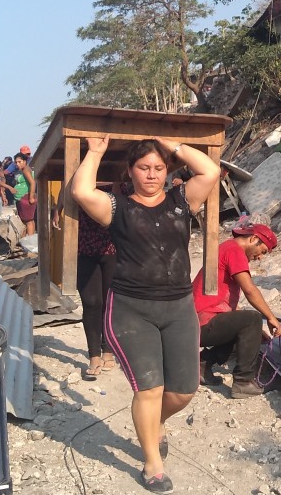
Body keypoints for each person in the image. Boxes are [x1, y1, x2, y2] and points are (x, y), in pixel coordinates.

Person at [72, 136, 220, 493]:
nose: (151, 175)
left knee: (184, 390)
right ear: (130, 171)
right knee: (150, 388)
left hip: (179, 307)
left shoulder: (182, 202)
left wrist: (174, 146)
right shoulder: (117, 207)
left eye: (158, 168)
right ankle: (152, 463)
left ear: (167, 171)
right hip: (130, 309)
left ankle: (155, 424)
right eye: (143, 167)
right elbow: (81, 191)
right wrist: (94, 151)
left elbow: (210, 169)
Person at [192, 223, 281, 398]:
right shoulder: (234, 250)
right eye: (263, 251)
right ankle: (243, 382)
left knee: (249, 324)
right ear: (253, 239)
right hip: (200, 323)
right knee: (252, 319)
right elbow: (250, 290)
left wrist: (254, 332)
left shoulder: (227, 248)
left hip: (199, 321)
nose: (260, 258)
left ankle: (202, 365)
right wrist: (270, 318)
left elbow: (228, 305)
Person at [53, 184, 122, 380]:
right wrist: (58, 210)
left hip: (112, 247)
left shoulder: (115, 172)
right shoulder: (80, 174)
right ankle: (94, 355)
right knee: (91, 302)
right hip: (84, 245)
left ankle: (108, 349)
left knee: (110, 301)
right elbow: (66, 185)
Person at [13, 152, 36, 236]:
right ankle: (27, 240)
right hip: (22, 198)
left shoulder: (26, 170)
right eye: (16, 162)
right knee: (28, 220)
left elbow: (33, 183)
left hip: (26, 198)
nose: (17, 164)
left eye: (19, 162)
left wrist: (31, 197)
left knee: (28, 220)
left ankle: (29, 241)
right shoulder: (24, 170)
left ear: (25, 161)